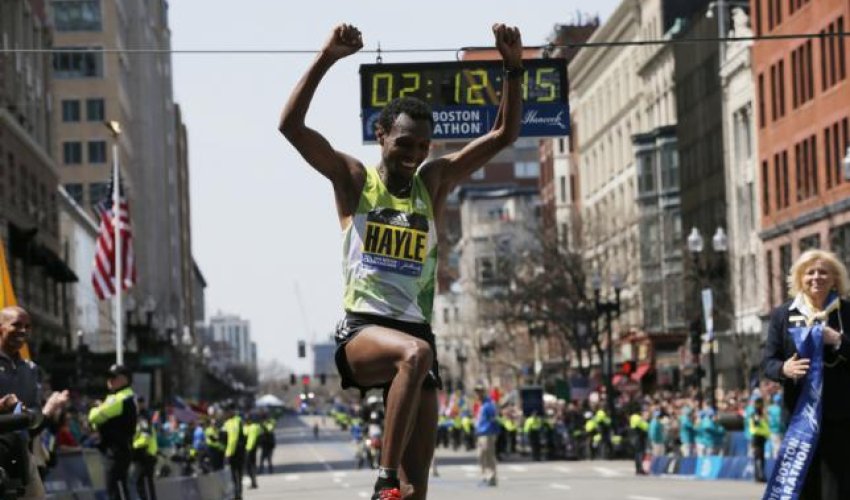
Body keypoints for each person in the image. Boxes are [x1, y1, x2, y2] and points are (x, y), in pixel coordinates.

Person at [279, 22, 523, 500]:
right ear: (382, 134)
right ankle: (384, 477)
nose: (413, 155)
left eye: (422, 147)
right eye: (404, 143)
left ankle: (400, 486)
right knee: (414, 355)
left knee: (418, 492)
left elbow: (502, 134)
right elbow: (290, 127)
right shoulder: (353, 180)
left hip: (417, 333)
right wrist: (327, 57)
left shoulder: (432, 183)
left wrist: (513, 68)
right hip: (364, 333)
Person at [762, 249, 850, 499]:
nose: (816, 277)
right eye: (810, 272)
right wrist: (783, 369)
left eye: (823, 272)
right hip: (800, 420)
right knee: (803, 490)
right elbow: (767, 362)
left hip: (840, 420)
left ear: (835, 278)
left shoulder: (846, 311)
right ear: (800, 278)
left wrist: (837, 340)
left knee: (838, 490)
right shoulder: (783, 314)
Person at [0, 306, 69, 499]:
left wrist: (32, 415)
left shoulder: (31, 370)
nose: (23, 331)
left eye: (27, 327)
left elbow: (37, 415)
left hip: (22, 454)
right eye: (16, 325)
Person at [88, 364, 137, 500]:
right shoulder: (122, 397)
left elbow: (93, 417)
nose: (109, 381)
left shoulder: (120, 399)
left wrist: (95, 408)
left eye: (113, 378)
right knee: (118, 490)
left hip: (116, 452)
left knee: (115, 491)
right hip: (118, 450)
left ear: (124, 379)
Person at [474, 385, 498, 487]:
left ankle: (491, 477)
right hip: (480, 433)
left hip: (488, 433)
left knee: (489, 455)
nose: (478, 394)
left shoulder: (489, 404)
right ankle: (484, 476)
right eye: (477, 392)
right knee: (480, 455)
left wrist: (491, 430)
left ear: (484, 392)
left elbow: (493, 418)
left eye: (480, 391)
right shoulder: (481, 404)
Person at [222, 405, 246, 500]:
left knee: (234, 474)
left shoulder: (233, 421)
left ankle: (237, 494)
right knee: (238, 474)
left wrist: (228, 453)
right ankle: (238, 493)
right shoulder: (238, 420)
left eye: (226, 412)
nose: (225, 414)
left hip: (235, 452)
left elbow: (233, 439)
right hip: (240, 451)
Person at [132, 416, 158, 500]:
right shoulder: (146, 424)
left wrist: (132, 446)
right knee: (147, 484)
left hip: (145, 457)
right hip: (149, 456)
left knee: (143, 484)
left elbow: (144, 439)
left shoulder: (143, 423)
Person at [244, 413, 261, 489]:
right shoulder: (247, 427)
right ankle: (253, 482)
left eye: (247, 419)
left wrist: (248, 449)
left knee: (250, 466)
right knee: (251, 466)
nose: (246, 421)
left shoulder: (253, 427)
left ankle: (254, 482)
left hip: (250, 449)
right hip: (249, 449)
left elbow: (252, 439)